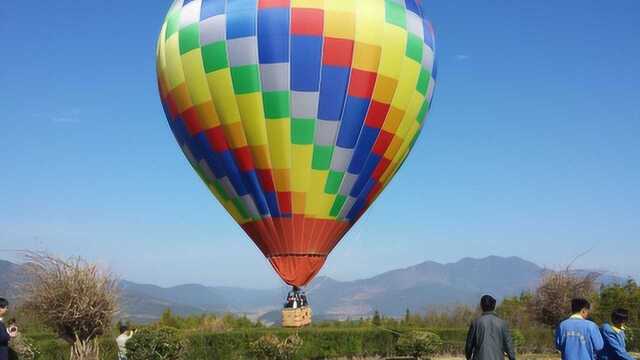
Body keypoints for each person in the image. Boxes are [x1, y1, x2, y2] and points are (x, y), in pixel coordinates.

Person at [465, 295, 516, 360]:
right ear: (494, 306)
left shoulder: (475, 323)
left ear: (481, 306)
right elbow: (509, 345)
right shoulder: (502, 324)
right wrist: (512, 358)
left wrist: (468, 357)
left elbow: (469, 345)